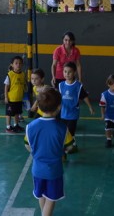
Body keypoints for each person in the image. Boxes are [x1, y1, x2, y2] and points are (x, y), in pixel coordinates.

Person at [24, 86, 67, 216]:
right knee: (51, 199)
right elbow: (70, 147)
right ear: (59, 107)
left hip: (37, 169)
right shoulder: (62, 128)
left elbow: (28, 145)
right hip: (54, 171)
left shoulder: (30, 127)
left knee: (41, 194)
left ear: (39, 107)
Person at [59, 62, 94, 153]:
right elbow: (57, 97)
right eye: (65, 71)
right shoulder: (61, 85)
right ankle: (68, 144)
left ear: (74, 72)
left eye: (69, 72)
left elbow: (84, 96)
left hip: (73, 113)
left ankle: (72, 145)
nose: (67, 74)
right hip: (63, 113)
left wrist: (90, 107)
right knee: (63, 130)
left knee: (70, 131)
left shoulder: (78, 86)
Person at [4, 56, 26, 133]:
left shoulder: (23, 74)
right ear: (12, 65)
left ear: (22, 64)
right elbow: (6, 87)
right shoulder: (10, 74)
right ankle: (8, 127)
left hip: (19, 98)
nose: (18, 65)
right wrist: (6, 97)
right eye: (16, 63)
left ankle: (16, 125)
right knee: (9, 113)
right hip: (11, 99)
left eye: (20, 63)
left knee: (17, 113)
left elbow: (23, 85)